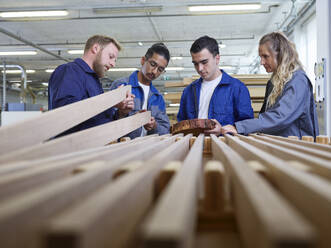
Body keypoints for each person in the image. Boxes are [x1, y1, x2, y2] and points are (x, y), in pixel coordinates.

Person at [221, 32, 319, 138]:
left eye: (265, 56)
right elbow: (265, 118)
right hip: (279, 145)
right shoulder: (273, 82)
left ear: (281, 54)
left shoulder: (298, 81)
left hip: (297, 147)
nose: (262, 62)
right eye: (260, 57)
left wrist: (240, 127)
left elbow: (279, 117)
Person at [48, 35, 134, 135]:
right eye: (111, 57)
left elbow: (102, 120)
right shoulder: (70, 71)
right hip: (74, 147)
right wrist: (111, 100)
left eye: (115, 60)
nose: (113, 64)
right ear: (95, 49)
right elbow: (65, 113)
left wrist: (121, 112)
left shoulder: (95, 82)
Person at [177, 35, 254, 135]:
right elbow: (181, 126)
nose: (199, 68)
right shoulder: (188, 91)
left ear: (217, 58)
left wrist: (222, 131)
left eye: (204, 62)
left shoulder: (237, 88)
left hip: (225, 147)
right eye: (195, 63)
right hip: (194, 147)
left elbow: (246, 126)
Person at [110, 43, 170, 139]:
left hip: (147, 149)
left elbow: (165, 130)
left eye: (160, 69)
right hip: (123, 149)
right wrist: (123, 113)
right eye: (153, 64)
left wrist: (154, 126)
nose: (154, 71)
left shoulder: (158, 97)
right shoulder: (122, 86)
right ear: (143, 60)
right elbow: (107, 123)